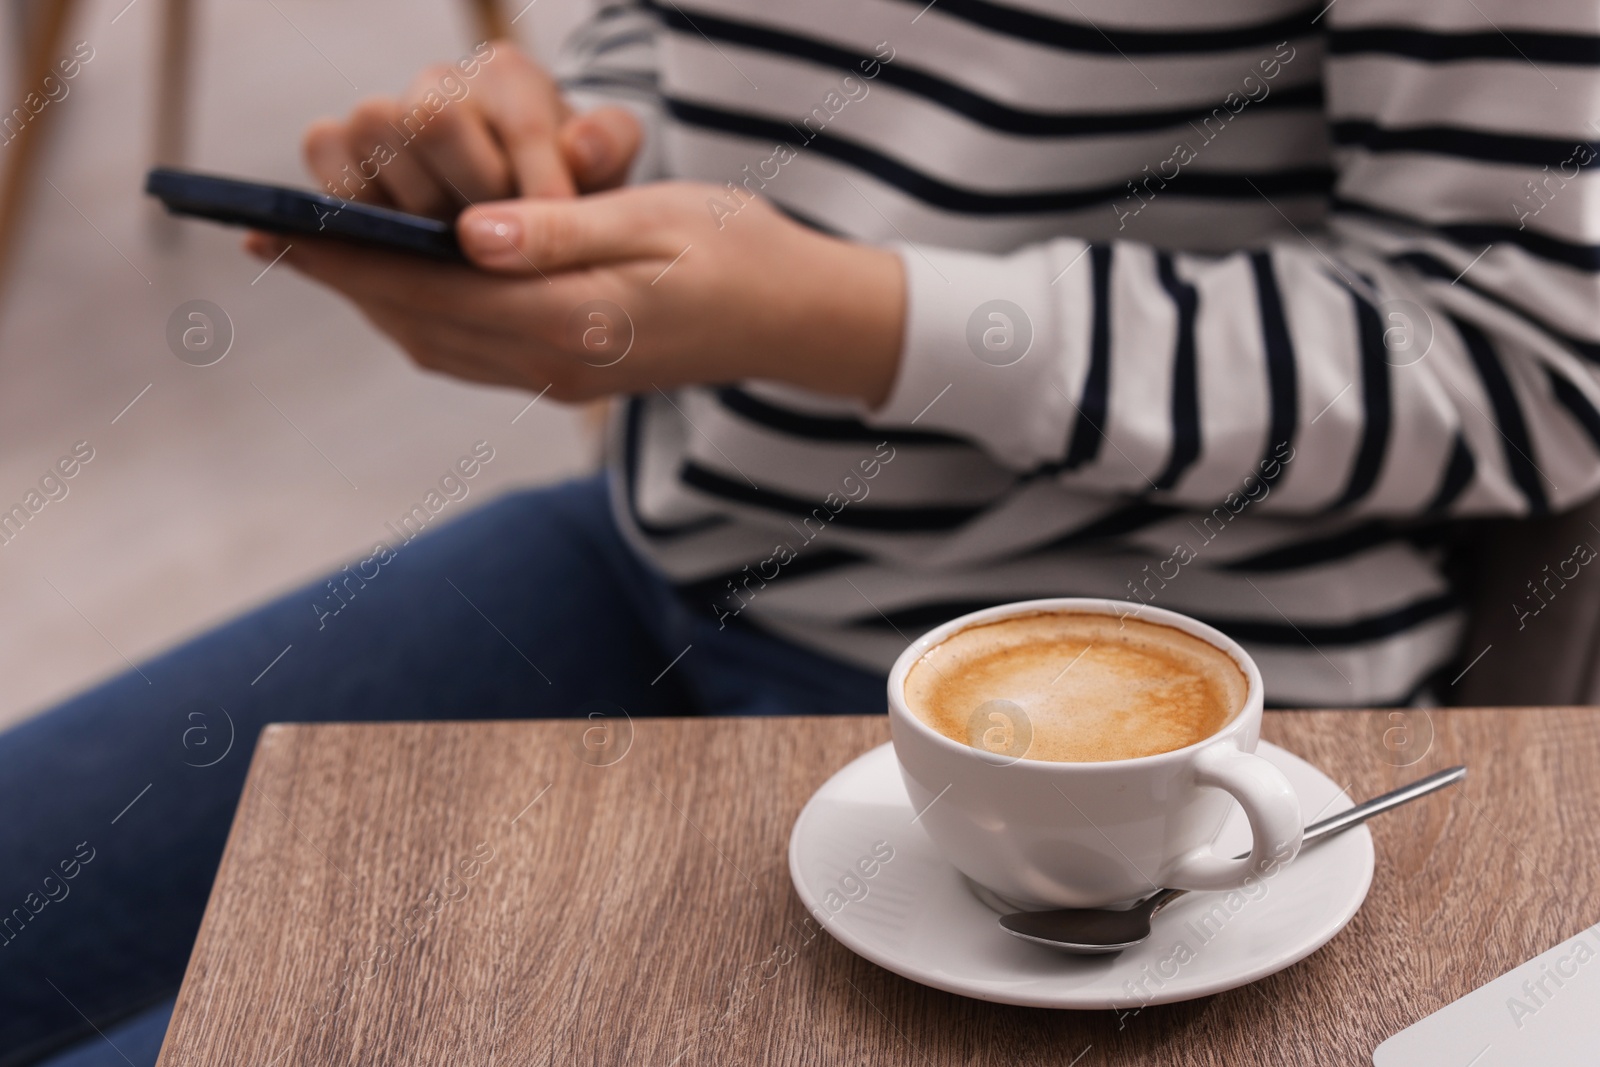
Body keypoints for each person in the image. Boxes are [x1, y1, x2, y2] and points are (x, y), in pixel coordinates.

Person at [5, 1, 1599, 1062]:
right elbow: (678, 36)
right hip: (658, 564)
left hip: (1171, 732)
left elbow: (1526, 358)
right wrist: (578, 138)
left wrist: (854, 319)